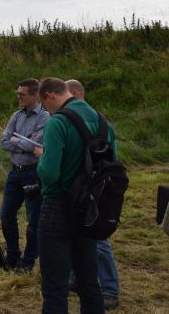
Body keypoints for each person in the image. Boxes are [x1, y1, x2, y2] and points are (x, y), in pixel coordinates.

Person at [35, 77, 116, 313]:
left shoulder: (57, 122)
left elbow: (49, 174)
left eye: (44, 104)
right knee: (89, 280)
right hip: (91, 208)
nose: (45, 110)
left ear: (49, 96)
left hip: (58, 207)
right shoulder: (103, 122)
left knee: (55, 284)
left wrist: (42, 157)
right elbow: (113, 163)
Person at [65, 79, 120, 310]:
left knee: (99, 241)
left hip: (95, 191)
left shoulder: (98, 122)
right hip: (78, 191)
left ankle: (109, 289)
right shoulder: (99, 122)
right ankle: (77, 278)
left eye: (66, 95)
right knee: (75, 237)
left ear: (76, 93)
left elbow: (112, 160)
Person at [0, 78, 49, 272]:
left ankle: (28, 261)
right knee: (5, 215)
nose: (18, 97)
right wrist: (25, 142)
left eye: (22, 94)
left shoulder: (44, 117)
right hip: (15, 172)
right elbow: (3, 141)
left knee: (33, 220)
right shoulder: (16, 116)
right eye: (18, 93)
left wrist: (16, 141)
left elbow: (38, 146)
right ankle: (12, 255)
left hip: (33, 174)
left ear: (35, 95)